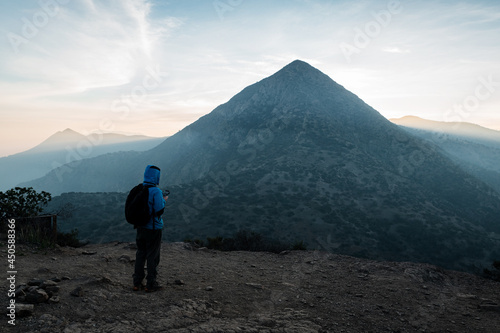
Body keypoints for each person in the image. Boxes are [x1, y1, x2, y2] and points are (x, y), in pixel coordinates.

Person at [133, 165, 168, 292]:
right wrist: (164, 200)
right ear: (156, 176)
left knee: (140, 254)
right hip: (153, 229)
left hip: (140, 227)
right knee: (153, 256)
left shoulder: (140, 189)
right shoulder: (156, 191)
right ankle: (151, 284)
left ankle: (137, 283)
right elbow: (159, 210)